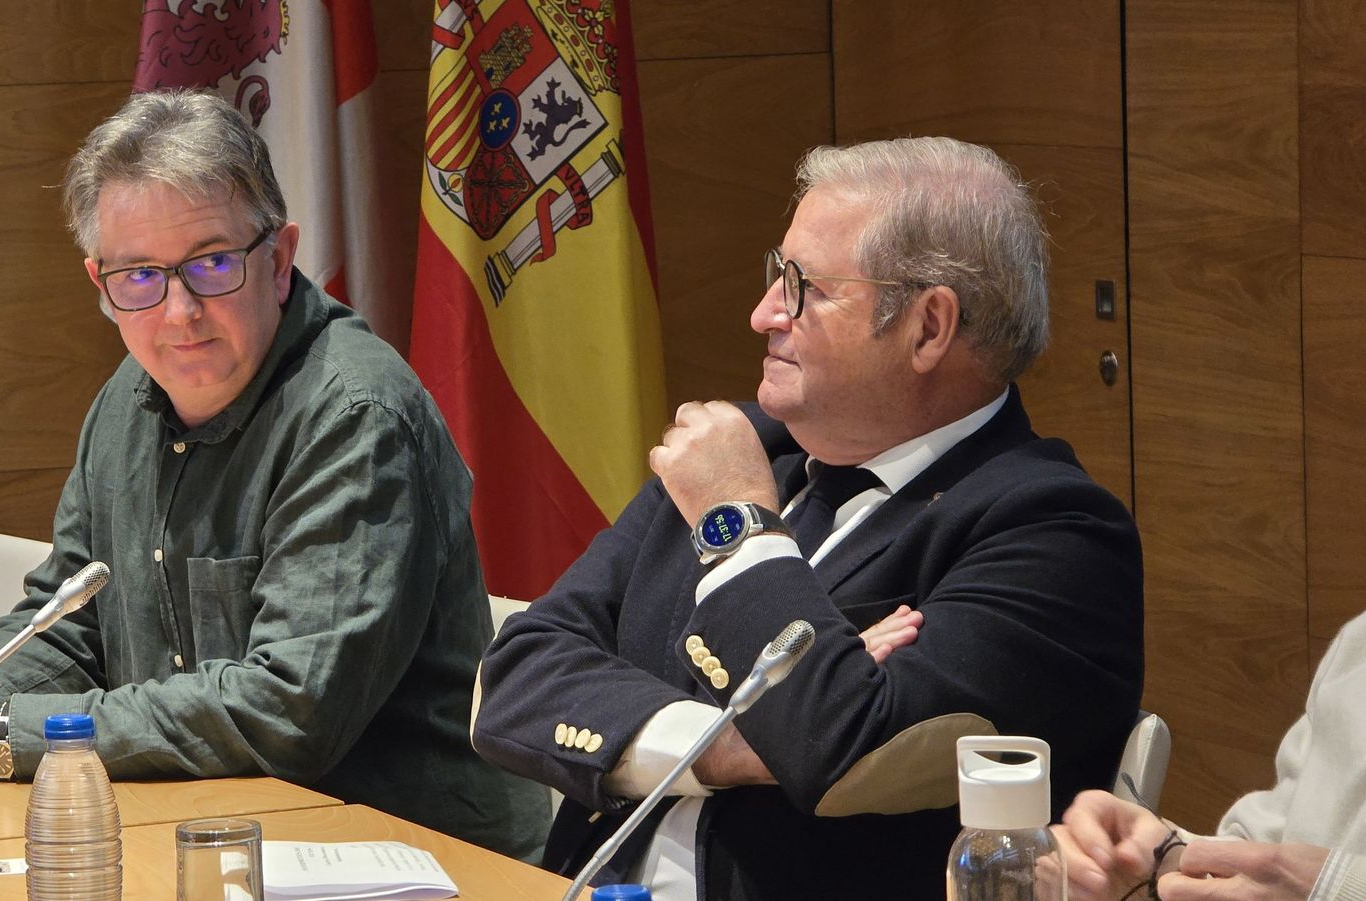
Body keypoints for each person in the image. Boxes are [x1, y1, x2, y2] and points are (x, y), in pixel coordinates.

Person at [0, 89, 546, 859]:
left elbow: (288, 711)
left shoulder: (356, 416)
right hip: (209, 830)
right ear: (100, 284)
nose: (179, 312)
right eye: (139, 276)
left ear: (278, 259)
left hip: (409, 857)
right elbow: (70, 622)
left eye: (211, 264)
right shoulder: (128, 399)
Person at [471, 136, 1145, 897]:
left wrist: (739, 524)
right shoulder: (742, 452)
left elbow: (844, 747)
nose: (763, 313)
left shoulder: (1055, 533)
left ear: (929, 327)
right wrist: (725, 743)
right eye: (776, 275)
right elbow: (511, 678)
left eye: (806, 288)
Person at [1054, 608, 1366, 901]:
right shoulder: (1359, 647)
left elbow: (1299, 878)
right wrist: (1173, 863)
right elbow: (1274, 849)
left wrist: (1338, 890)